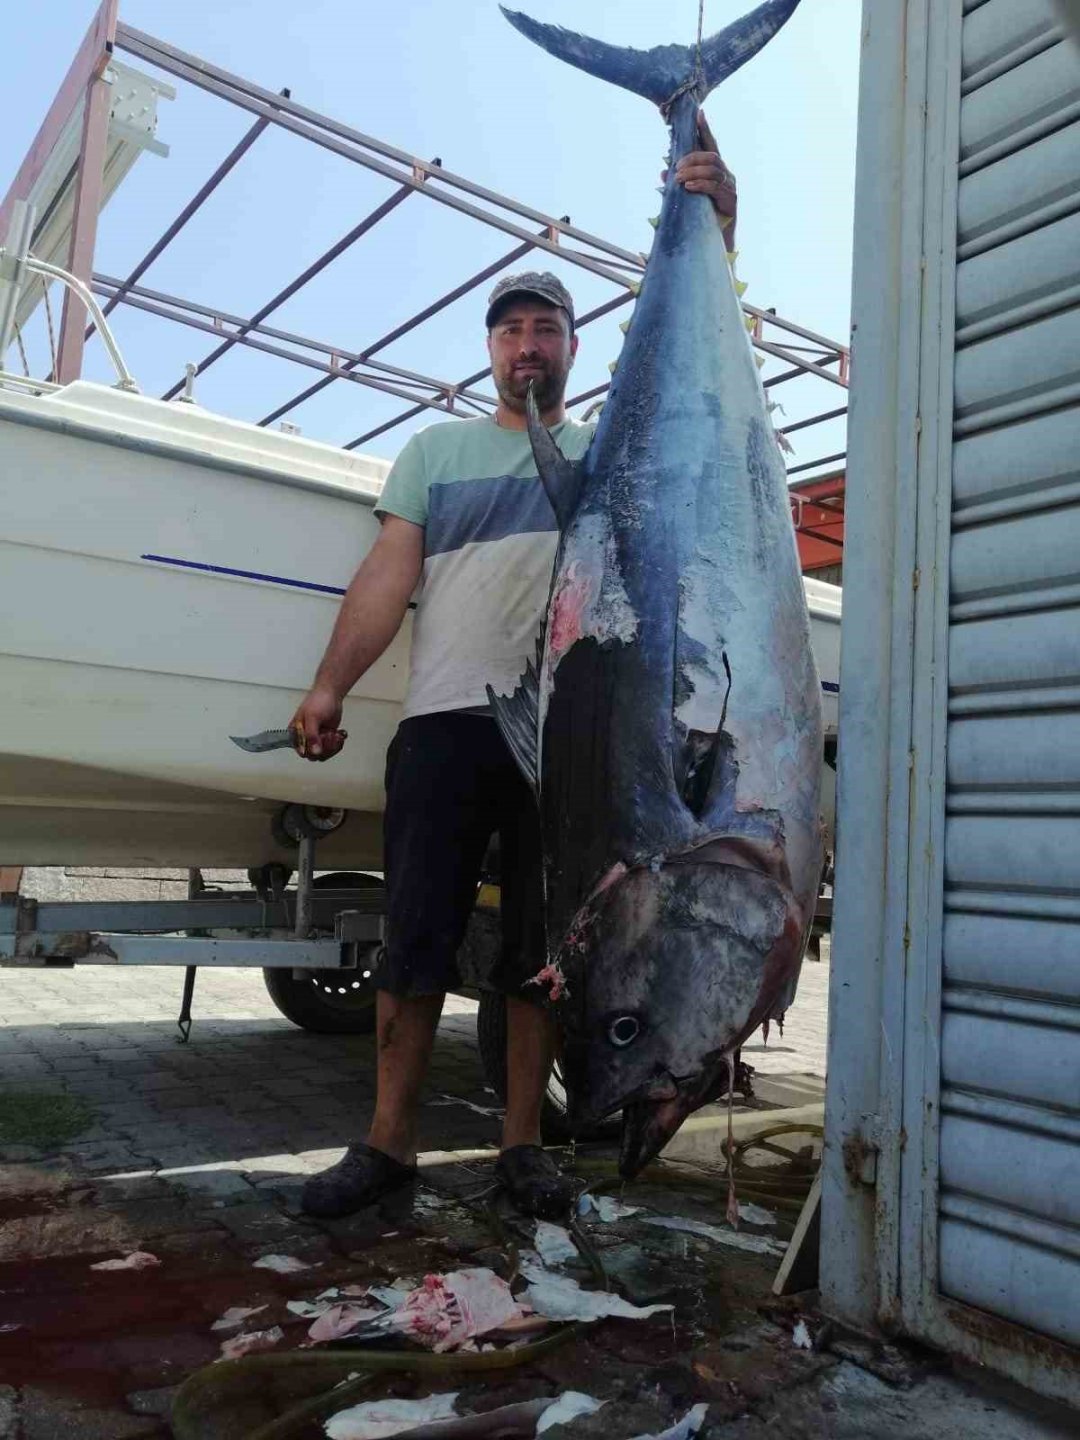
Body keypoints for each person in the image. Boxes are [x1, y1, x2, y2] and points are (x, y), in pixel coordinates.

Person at [291, 120, 738, 1220]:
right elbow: (388, 576)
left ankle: (523, 1149)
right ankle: (386, 1146)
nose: (527, 345)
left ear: (575, 349)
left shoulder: (608, 452)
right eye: (511, 330)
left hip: (570, 748)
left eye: (546, 328)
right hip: (446, 724)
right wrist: (330, 684)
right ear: (488, 350)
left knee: (543, 953)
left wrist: (719, 228)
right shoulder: (434, 453)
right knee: (414, 942)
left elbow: (695, 382)